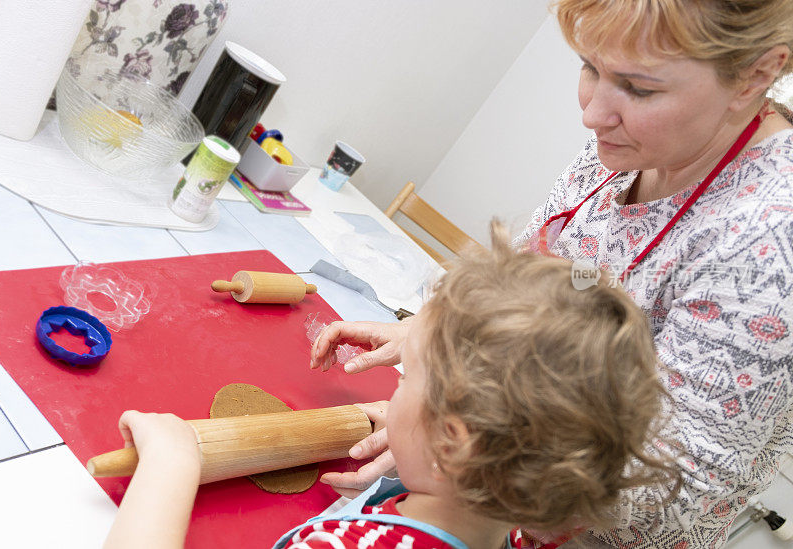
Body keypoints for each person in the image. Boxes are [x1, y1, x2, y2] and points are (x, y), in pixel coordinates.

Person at [310, 1, 793, 547]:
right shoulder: (629, 140)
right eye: (590, 67)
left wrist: (472, 454)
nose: (592, 114)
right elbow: (532, 284)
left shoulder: (769, 238)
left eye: (638, 88)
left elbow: (684, 481)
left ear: (756, 74)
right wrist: (436, 333)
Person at [103, 224, 677, 549]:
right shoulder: (505, 528)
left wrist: (170, 466)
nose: (391, 394)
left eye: (409, 381)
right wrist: (416, 453)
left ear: (454, 441)